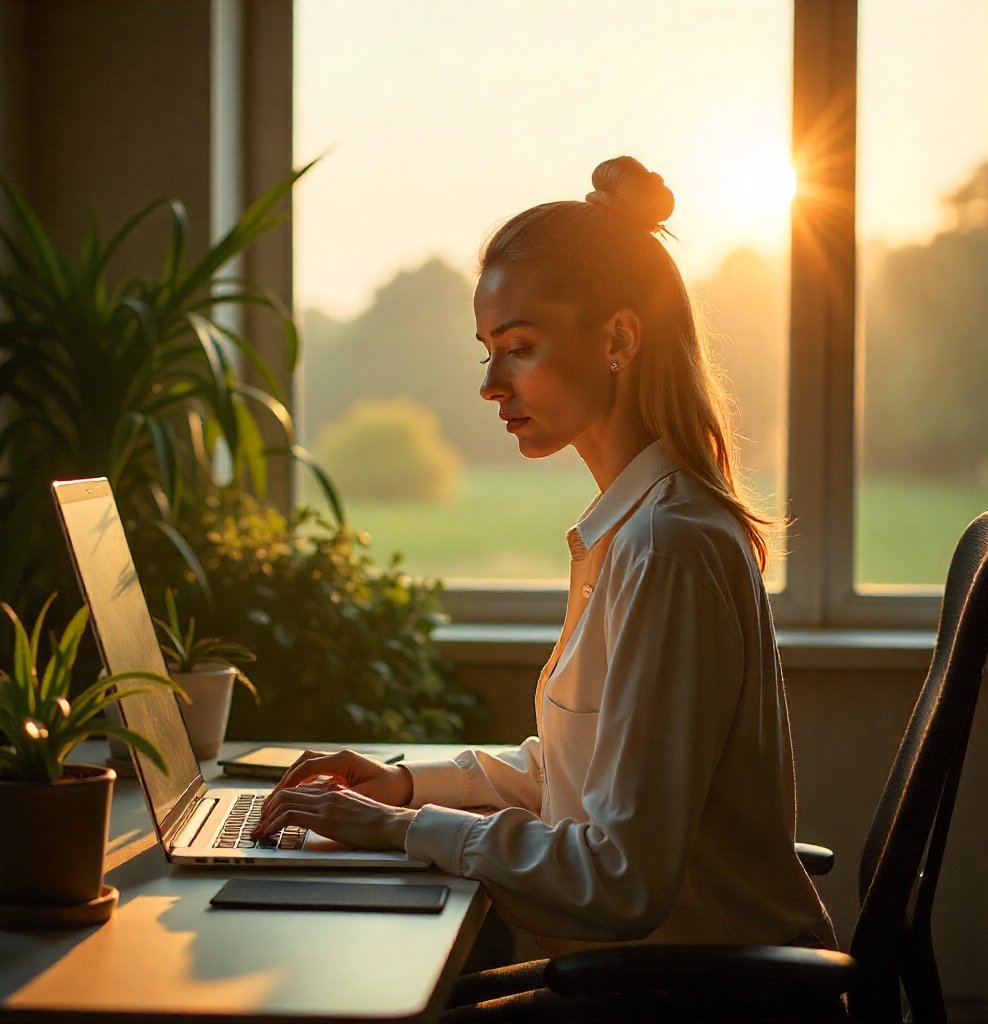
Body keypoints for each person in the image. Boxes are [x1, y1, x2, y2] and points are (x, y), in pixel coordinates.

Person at [254, 155, 835, 1015]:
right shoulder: (634, 528)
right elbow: (579, 779)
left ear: (618, 339)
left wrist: (401, 830)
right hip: (653, 984)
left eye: (520, 349)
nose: (491, 385)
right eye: (489, 352)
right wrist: (404, 787)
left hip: (701, 1001)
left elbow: (619, 878)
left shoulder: (665, 548)